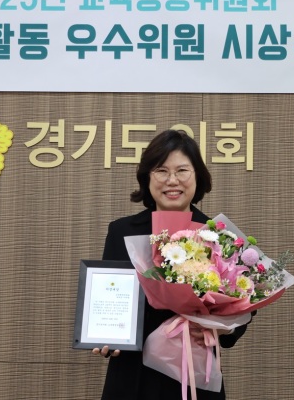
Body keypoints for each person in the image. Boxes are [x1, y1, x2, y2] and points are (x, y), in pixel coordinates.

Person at [92, 129, 252, 400]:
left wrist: (222, 328)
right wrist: (104, 335)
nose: (172, 180)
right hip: (134, 374)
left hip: (195, 374)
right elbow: (111, 292)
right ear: (147, 177)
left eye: (182, 171)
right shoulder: (122, 231)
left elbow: (245, 299)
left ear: (198, 176)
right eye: (161, 171)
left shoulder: (219, 236)